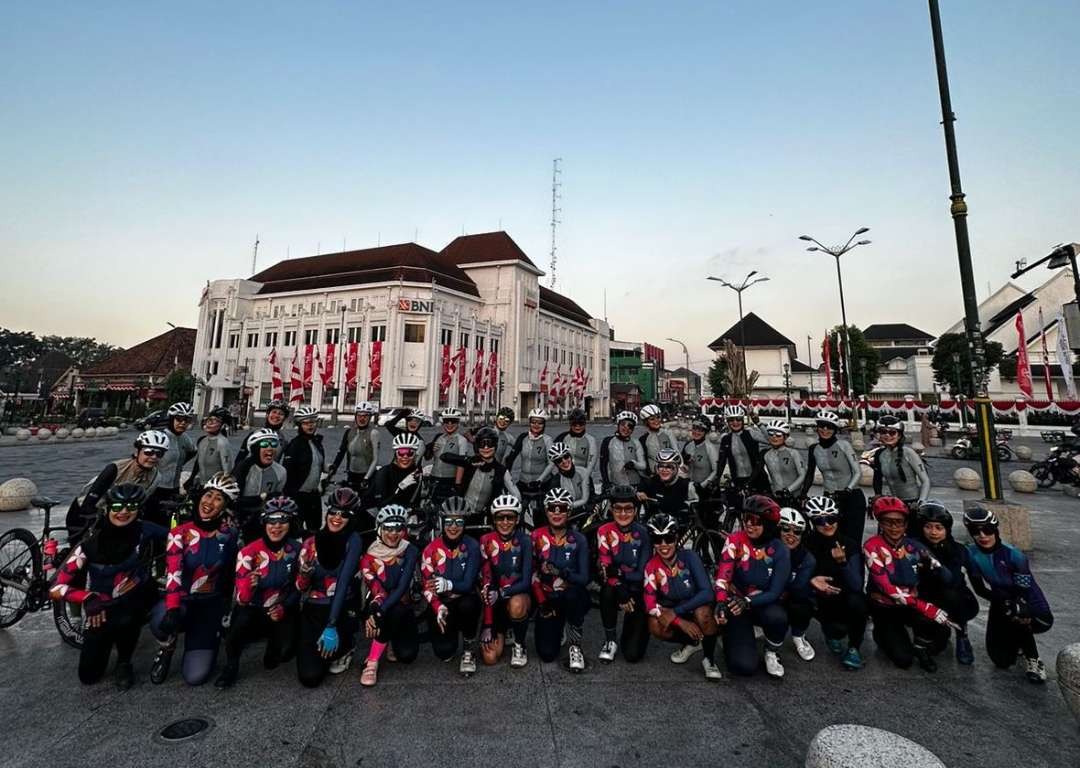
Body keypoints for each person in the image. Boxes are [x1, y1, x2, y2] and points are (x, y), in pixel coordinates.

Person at [50, 484, 166, 689]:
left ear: (138, 509)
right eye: (118, 506)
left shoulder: (143, 530)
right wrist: (87, 598)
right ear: (108, 509)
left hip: (133, 602)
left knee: (129, 617)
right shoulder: (90, 544)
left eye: (131, 506)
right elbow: (55, 588)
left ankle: (124, 661)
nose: (123, 512)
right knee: (88, 676)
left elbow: (179, 535)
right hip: (100, 609)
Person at [148, 473, 240, 686]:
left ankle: (203, 638)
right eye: (208, 495)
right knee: (161, 621)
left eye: (218, 499)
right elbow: (173, 573)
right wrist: (172, 608)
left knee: (195, 677)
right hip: (182, 601)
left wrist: (226, 610)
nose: (210, 502)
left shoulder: (230, 535)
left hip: (210, 605)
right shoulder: (180, 533)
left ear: (225, 507)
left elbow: (229, 575)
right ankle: (167, 646)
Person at [215, 496, 302, 688]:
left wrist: (285, 606)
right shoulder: (248, 552)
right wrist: (248, 585)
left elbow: (299, 588)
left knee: (284, 655)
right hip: (252, 607)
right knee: (239, 625)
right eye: (271, 520)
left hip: (281, 607)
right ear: (264, 523)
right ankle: (231, 665)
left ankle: (274, 642)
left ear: (291, 523)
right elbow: (242, 599)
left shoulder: (297, 550)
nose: (276, 526)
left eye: (282, 521)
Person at [963, 505, 1053, 683]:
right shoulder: (971, 554)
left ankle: (1034, 659)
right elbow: (980, 589)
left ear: (995, 529)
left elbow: (1022, 591)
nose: (982, 536)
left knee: (1018, 613)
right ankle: (1016, 640)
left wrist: (1016, 606)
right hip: (1000, 599)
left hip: (1028, 601)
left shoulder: (1014, 555)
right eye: (976, 531)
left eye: (987, 530)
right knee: (1001, 661)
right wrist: (1001, 601)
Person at [863, 495, 953, 672]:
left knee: (940, 637)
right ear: (880, 523)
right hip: (885, 606)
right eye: (888, 522)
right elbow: (886, 587)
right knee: (903, 660)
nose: (895, 527)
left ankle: (920, 644)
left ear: (906, 524)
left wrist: (935, 563)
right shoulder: (872, 546)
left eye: (900, 522)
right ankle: (882, 633)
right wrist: (926, 607)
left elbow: (947, 577)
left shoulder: (914, 546)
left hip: (910, 606)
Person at [713, 495, 791, 678]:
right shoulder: (734, 540)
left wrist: (746, 601)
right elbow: (723, 576)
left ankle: (772, 650)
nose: (748, 524)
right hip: (737, 605)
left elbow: (775, 592)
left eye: (755, 520)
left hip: (761, 603)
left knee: (777, 616)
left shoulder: (780, 550)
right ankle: (734, 636)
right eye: (745, 518)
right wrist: (721, 602)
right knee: (743, 667)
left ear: (768, 524)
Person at [295, 487, 364, 687]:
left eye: (344, 515)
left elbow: (343, 582)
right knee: (310, 677)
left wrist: (332, 625)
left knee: (327, 664)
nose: (336, 517)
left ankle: (347, 644)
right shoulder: (310, 543)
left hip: (341, 605)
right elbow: (300, 587)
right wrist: (304, 575)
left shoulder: (353, 540)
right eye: (333, 512)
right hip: (314, 606)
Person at [643, 513, 722, 680]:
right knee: (654, 624)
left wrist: (676, 612)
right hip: (676, 613)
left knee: (703, 614)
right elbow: (649, 604)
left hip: (695, 607)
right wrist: (678, 621)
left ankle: (709, 659)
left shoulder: (690, 557)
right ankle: (692, 642)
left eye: (668, 538)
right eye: (658, 540)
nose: (664, 545)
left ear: (676, 537)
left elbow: (707, 592)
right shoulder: (651, 566)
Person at [359, 505, 420, 686]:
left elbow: (402, 586)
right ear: (379, 528)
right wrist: (376, 610)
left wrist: (379, 611)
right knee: (392, 608)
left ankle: (391, 637)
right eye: (388, 528)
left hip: (399, 604)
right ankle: (372, 661)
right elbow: (377, 589)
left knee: (407, 656)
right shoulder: (369, 556)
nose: (393, 534)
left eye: (398, 529)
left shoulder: (410, 550)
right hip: (379, 602)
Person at [803, 496, 867, 670]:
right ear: (812, 523)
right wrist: (810, 580)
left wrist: (843, 562)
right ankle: (830, 631)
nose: (827, 524)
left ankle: (854, 647)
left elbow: (856, 585)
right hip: (821, 599)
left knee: (858, 601)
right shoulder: (807, 543)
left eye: (831, 519)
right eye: (820, 520)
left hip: (846, 596)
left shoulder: (849, 544)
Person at [66, 429, 168, 540]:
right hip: (84, 511)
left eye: (159, 454)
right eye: (148, 452)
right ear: (136, 451)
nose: (154, 457)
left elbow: (140, 504)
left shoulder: (156, 477)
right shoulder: (115, 468)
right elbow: (89, 502)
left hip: (117, 515)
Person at [422, 496, 483, 675]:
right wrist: (437, 606)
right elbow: (428, 587)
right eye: (449, 521)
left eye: (459, 521)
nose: (453, 526)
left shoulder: (471, 546)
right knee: (444, 652)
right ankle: (452, 630)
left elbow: (467, 584)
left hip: (465, 600)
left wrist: (447, 584)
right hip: (443, 604)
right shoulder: (430, 549)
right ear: (441, 522)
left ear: (465, 524)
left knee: (469, 604)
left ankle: (469, 647)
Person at [531, 488, 590, 672]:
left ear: (569, 511)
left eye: (562, 508)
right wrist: (541, 602)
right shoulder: (536, 536)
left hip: (570, 595)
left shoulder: (578, 539)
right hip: (547, 598)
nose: (557, 512)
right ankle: (558, 625)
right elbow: (531, 574)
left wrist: (562, 572)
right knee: (547, 654)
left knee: (573, 595)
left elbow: (584, 578)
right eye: (552, 508)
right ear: (546, 510)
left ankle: (575, 644)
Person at [914, 500, 979, 665]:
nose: (933, 532)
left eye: (938, 528)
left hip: (954, 600)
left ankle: (962, 633)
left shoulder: (958, 550)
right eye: (928, 527)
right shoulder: (914, 547)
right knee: (936, 647)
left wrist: (936, 567)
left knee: (951, 594)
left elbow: (955, 580)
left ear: (947, 529)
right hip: (925, 600)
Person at [596, 484, 651, 664]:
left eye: (628, 509)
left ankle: (632, 622)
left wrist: (619, 574)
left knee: (632, 655)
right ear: (611, 510)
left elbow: (642, 574)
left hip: (637, 590)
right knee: (607, 592)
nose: (623, 513)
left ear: (635, 511)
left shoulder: (643, 533)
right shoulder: (604, 531)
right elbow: (605, 570)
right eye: (618, 509)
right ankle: (610, 640)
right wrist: (619, 586)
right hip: (617, 587)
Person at [479, 494, 533, 668]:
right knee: (490, 658)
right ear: (494, 520)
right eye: (500, 517)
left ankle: (519, 644)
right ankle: (505, 628)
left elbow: (526, 582)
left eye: (510, 517)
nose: (505, 522)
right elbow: (486, 582)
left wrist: (503, 592)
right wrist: (487, 624)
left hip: (516, 596)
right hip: (495, 605)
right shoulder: (486, 541)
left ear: (517, 519)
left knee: (516, 605)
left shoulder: (525, 541)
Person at [801, 411, 865, 543]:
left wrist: (848, 489)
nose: (825, 430)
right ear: (817, 427)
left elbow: (858, 472)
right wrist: (803, 494)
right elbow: (809, 474)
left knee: (852, 540)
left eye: (829, 427)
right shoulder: (813, 449)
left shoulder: (844, 445)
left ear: (835, 429)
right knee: (831, 539)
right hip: (829, 499)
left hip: (851, 497)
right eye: (822, 426)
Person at [440, 426, 519, 519]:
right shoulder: (470, 462)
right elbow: (444, 456)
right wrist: (468, 460)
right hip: (463, 514)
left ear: (496, 446)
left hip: (486, 517)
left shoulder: (501, 470)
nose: (486, 448)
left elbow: (516, 495)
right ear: (477, 446)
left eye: (490, 443)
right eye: (482, 444)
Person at [145, 402, 198, 527]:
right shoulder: (161, 436)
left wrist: (179, 464)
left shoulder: (184, 438)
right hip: (155, 488)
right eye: (179, 419)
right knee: (151, 523)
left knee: (170, 524)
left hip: (173, 488)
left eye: (187, 420)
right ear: (171, 419)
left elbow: (193, 451)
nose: (183, 423)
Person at [232, 428, 288, 542]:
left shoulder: (281, 471)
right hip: (242, 519)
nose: (270, 448)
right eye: (264, 444)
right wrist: (261, 497)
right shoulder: (243, 467)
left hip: (265, 522)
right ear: (255, 448)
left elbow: (277, 500)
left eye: (273, 444)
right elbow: (234, 500)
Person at [777, 507, 817, 663]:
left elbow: (798, 590)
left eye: (797, 531)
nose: (791, 535)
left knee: (804, 602)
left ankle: (799, 634)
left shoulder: (807, 558)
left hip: (789, 596)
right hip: (764, 597)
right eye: (785, 529)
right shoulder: (768, 548)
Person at [506, 408, 554, 527]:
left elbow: (551, 463)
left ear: (544, 424)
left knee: (541, 517)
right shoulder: (523, 438)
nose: (536, 425)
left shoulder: (547, 440)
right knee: (516, 515)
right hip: (524, 482)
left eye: (539, 422)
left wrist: (540, 480)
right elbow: (511, 458)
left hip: (541, 484)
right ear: (529, 422)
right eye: (533, 422)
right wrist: (507, 478)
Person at [282, 405, 326, 534]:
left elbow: (318, 464)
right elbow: (287, 472)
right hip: (298, 496)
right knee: (295, 532)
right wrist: (289, 496)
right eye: (306, 423)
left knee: (315, 532)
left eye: (312, 422)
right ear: (299, 425)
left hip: (314, 495)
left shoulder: (317, 442)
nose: (310, 426)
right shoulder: (295, 445)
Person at [871, 416, 931, 509]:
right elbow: (877, 478)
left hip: (913, 502)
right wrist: (877, 495)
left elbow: (925, 481)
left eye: (892, 432)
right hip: (894, 503)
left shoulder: (908, 452)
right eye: (883, 432)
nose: (887, 435)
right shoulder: (879, 454)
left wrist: (921, 502)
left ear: (899, 435)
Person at [326, 401, 381, 494]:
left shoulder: (373, 433)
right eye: (359, 416)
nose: (362, 418)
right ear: (355, 416)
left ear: (370, 417)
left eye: (365, 416)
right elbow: (341, 452)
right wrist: (333, 469)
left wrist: (366, 478)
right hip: (351, 474)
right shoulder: (349, 432)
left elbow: (375, 459)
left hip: (366, 475)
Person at [716, 404, 766, 504]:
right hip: (738, 481)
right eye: (731, 420)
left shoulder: (750, 433)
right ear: (727, 422)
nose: (735, 422)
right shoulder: (725, 439)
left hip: (757, 478)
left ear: (742, 420)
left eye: (738, 419)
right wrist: (716, 480)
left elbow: (770, 440)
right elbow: (721, 462)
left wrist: (758, 423)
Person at [636, 448, 697, 525]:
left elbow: (695, 515)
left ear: (677, 468)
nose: (664, 470)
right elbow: (639, 490)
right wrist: (639, 493)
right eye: (661, 466)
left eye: (669, 467)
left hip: (678, 529)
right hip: (655, 528)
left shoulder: (687, 486)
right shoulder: (650, 482)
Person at [426, 407, 471, 507]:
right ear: (443, 422)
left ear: (458, 423)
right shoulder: (438, 437)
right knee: (433, 507)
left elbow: (461, 464)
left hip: (450, 480)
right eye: (447, 421)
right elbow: (428, 458)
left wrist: (457, 484)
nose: (449, 424)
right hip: (434, 478)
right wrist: (429, 448)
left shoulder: (461, 440)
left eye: (453, 421)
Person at [370, 433, 426, 510]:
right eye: (401, 453)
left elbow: (416, 502)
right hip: (389, 517)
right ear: (395, 454)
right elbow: (381, 505)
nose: (405, 457)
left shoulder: (416, 473)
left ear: (415, 455)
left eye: (410, 453)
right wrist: (401, 488)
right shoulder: (384, 472)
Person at [187, 407, 234, 490]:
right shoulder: (202, 441)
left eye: (214, 421)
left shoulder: (222, 443)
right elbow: (198, 463)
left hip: (215, 488)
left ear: (223, 425)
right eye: (209, 419)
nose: (209, 423)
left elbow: (227, 470)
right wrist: (191, 478)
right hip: (201, 485)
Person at [599, 411, 647, 491]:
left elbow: (643, 465)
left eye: (630, 426)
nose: (626, 428)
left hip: (635, 484)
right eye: (623, 424)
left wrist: (634, 464)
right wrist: (606, 482)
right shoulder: (607, 441)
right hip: (615, 485)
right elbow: (603, 465)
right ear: (618, 425)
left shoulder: (636, 442)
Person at [235, 398, 291, 464]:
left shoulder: (284, 441)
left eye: (281, 414)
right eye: (274, 412)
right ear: (267, 414)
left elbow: (287, 463)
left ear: (284, 418)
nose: (276, 416)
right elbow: (240, 458)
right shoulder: (254, 434)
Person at [762, 420, 804, 505]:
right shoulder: (766, 455)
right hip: (776, 497)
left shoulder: (793, 453)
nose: (774, 437)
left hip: (793, 497)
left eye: (778, 435)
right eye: (771, 434)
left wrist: (788, 490)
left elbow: (802, 475)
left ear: (785, 437)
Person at [540, 442, 591, 511]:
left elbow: (589, 496)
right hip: (568, 514)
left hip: (586, 510)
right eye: (559, 460)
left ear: (571, 456)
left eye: (566, 456)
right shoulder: (555, 482)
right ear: (556, 464)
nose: (564, 461)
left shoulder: (583, 472)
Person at [554, 408, 599, 484]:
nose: (577, 427)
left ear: (585, 424)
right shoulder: (562, 437)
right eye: (574, 424)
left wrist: (584, 478)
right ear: (570, 423)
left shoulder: (591, 440)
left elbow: (591, 463)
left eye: (580, 424)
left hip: (583, 476)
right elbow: (553, 458)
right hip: (564, 476)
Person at [638, 403, 679, 474]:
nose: (656, 421)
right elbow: (643, 461)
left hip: (670, 474)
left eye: (658, 417)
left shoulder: (668, 433)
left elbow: (676, 452)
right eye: (652, 419)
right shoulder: (643, 439)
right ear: (646, 422)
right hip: (653, 476)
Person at [682, 417, 718, 489]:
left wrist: (702, 485)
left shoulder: (710, 448)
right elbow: (683, 468)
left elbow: (716, 470)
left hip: (704, 489)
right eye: (695, 428)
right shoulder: (688, 446)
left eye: (700, 430)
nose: (696, 432)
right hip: (689, 486)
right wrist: (685, 462)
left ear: (705, 432)